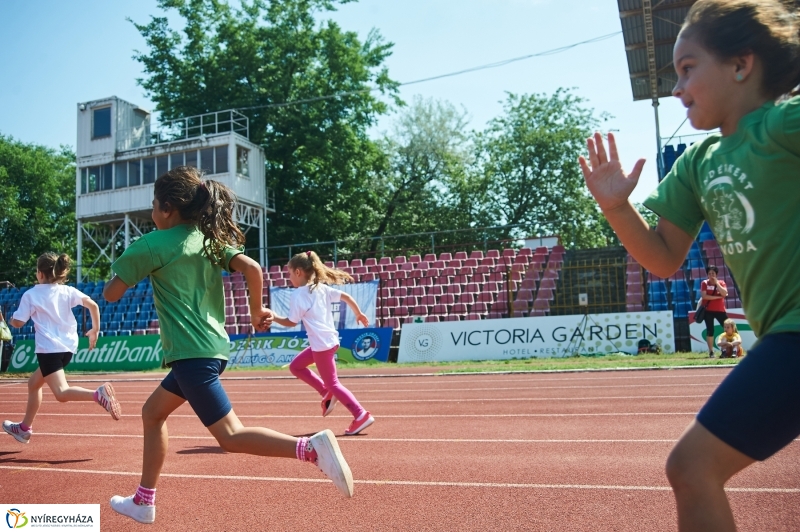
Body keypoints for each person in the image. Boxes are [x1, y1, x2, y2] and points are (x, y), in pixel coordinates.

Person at [578, 1, 800, 529]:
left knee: (692, 465)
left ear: (741, 65)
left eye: (687, 68)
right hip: (780, 339)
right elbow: (660, 258)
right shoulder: (698, 164)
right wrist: (615, 207)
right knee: (692, 467)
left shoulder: (784, 125)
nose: (676, 87)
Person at [104, 167, 353, 525]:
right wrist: (256, 311)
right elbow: (252, 267)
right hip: (212, 349)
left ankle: (310, 449)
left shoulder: (151, 244)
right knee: (152, 413)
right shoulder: (209, 241)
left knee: (230, 436)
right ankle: (144, 500)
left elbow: (111, 294)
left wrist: (138, 260)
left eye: (153, 206)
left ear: (168, 208)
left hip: (191, 354)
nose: (152, 212)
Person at [2, 253, 120, 445]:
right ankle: (24, 429)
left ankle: (98, 395)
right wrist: (95, 330)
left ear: (40, 274)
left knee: (61, 393)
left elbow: (18, 322)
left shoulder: (31, 295)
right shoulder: (67, 291)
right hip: (67, 350)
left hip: (49, 351)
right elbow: (92, 305)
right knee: (34, 384)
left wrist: (10, 320)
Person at [272, 251, 374, 436]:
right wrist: (358, 313)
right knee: (296, 366)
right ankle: (326, 392)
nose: (288, 277)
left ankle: (360, 415)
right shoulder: (320, 288)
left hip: (321, 345)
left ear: (298, 272)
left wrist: (273, 317)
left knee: (334, 383)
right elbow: (346, 297)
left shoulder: (299, 295)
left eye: (288, 273)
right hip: (327, 342)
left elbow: (291, 322)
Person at [700, 265, 729, 357]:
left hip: (720, 310)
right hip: (708, 311)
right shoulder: (704, 283)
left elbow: (724, 293)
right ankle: (711, 352)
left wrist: (717, 283)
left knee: (729, 328)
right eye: (709, 273)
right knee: (710, 330)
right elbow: (704, 296)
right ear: (707, 275)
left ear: (716, 274)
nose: (711, 275)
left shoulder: (721, 282)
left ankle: (730, 349)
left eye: (713, 273)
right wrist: (718, 297)